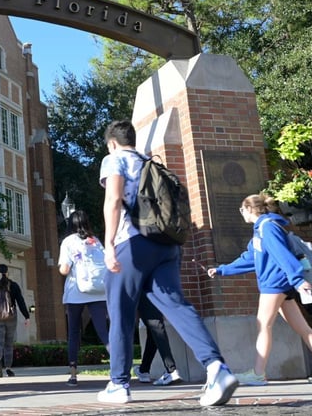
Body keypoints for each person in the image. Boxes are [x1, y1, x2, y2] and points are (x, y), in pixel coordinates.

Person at [98, 120, 237, 406]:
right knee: (177, 306)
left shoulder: (114, 159)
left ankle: (118, 384)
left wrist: (109, 245)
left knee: (121, 312)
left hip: (133, 244)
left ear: (112, 142)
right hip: (167, 245)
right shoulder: (153, 164)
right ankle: (216, 368)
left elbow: (113, 200)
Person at [207, 193, 312, 385]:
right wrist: (222, 270)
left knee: (263, 325)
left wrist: (296, 279)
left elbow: (282, 254)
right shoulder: (263, 229)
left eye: (242, 209)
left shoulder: (267, 227)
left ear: (250, 209)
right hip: (281, 283)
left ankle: (258, 373)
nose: (241, 213)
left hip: (274, 283)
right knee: (303, 328)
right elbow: (251, 258)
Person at [57, 210, 110, 386]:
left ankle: (73, 374)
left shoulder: (68, 242)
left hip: (75, 292)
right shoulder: (96, 241)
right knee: (104, 331)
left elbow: (64, 270)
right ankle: (119, 369)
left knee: (73, 333)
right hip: (99, 291)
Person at [0, 264, 30, 377]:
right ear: (7, 273)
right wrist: (26, 316)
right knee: (8, 343)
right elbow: (20, 302)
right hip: (11, 317)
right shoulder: (13, 285)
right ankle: (8, 368)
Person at [134, 295, 182, 386]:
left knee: (155, 326)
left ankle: (171, 370)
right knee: (153, 332)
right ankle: (144, 370)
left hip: (144, 291)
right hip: (154, 292)